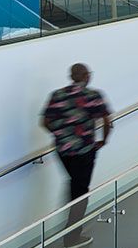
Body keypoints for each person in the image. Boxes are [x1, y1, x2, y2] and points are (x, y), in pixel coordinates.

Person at [41, 63, 113, 231]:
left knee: (75, 183)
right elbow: (107, 121)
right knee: (81, 191)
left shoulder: (57, 95)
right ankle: (72, 235)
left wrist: (60, 135)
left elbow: (45, 122)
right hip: (85, 150)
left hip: (63, 151)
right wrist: (103, 140)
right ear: (87, 76)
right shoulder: (93, 95)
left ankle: (71, 223)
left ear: (72, 77)